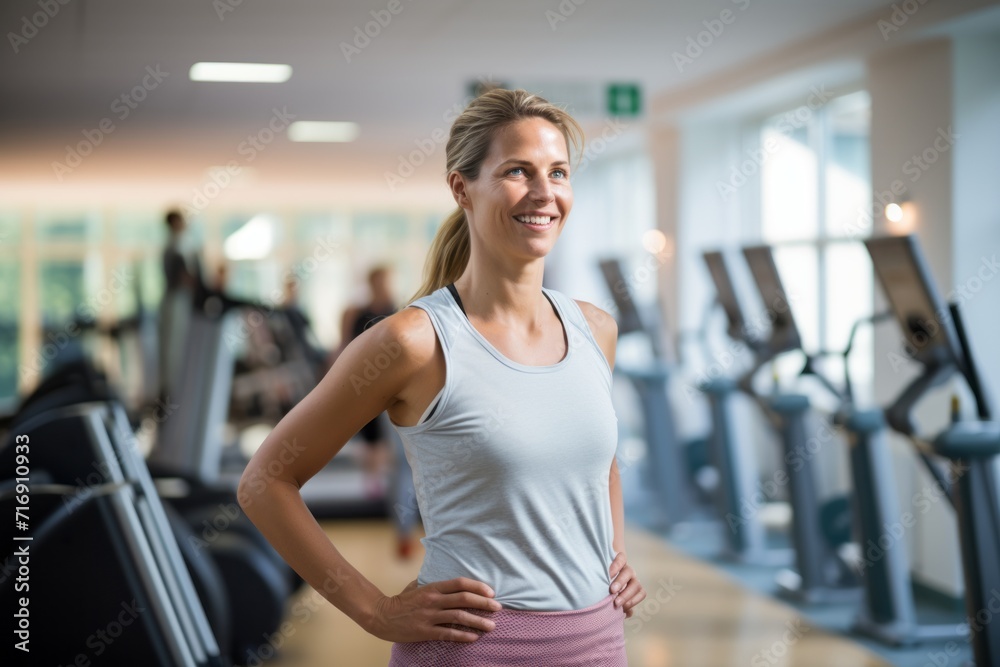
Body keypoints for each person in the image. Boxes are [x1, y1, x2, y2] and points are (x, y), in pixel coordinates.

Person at [239, 89, 645, 666]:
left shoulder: (595, 328)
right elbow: (264, 482)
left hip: (598, 642)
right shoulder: (414, 342)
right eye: (517, 172)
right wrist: (375, 612)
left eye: (558, 172)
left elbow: (596, 460)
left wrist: (616, 550)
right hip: (474, 649)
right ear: (462, 189)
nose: (544, 193)